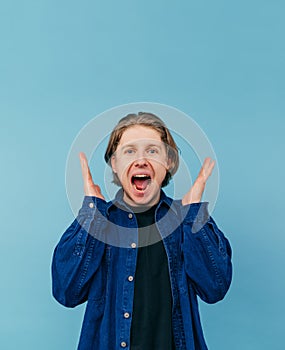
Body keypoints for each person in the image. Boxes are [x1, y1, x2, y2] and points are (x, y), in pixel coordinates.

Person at [51, 112, 232, 350]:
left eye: (152, 151)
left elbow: (215, 288)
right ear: (114, 164)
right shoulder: (98, 222)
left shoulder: (186, 220)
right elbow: (66, 292)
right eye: (129, 151)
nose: (141, 160)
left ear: (168, 162)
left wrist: (193, 214)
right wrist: (91, 214)